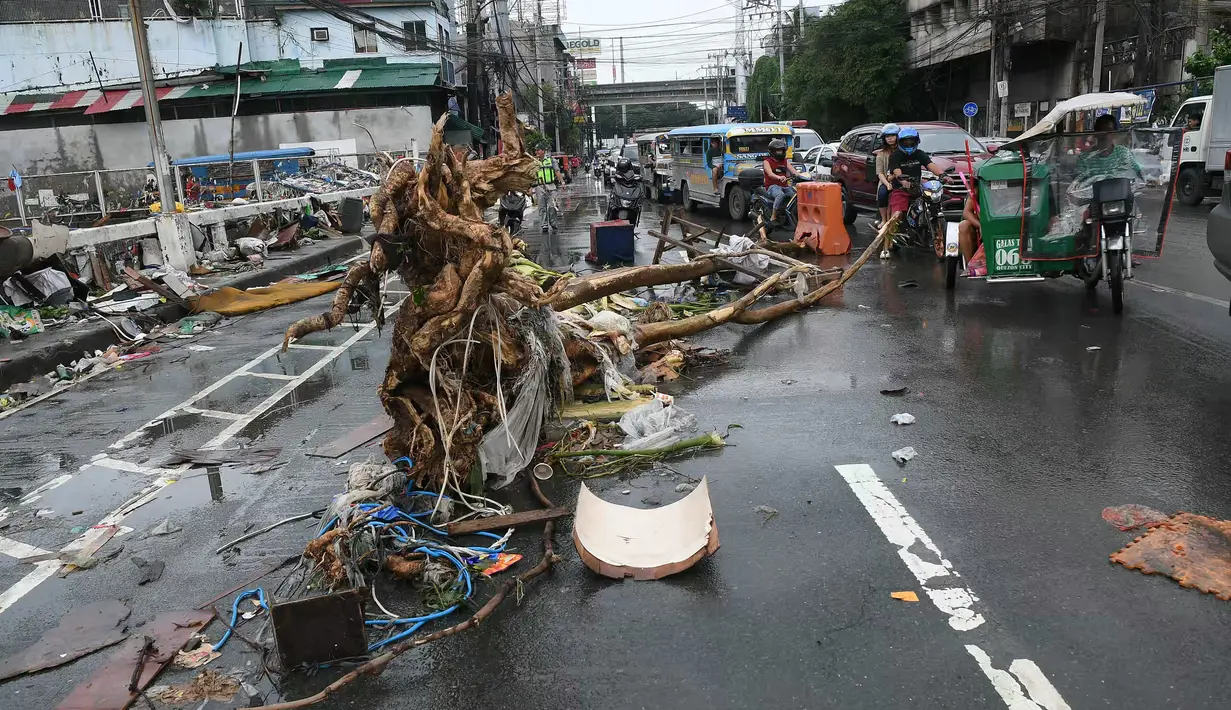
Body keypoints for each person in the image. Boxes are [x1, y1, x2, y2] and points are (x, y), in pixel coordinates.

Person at [886, 127, 948, 256]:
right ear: (900, 142)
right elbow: (897, 171)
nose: (909, 145)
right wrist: (902, 180)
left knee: (933, 202)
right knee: (898, 214)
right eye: (906, 142)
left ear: (917, 142)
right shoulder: (895, 155)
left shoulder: (920, 153)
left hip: (918, 188)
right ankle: (891, 239)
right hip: (900, 189)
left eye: (911, 142)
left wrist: (943, 175)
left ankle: (926, 229)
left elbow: (931, 165)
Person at [762, 137, 802, 224]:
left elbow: (793, 171)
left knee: (795, 195)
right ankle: (774, 215)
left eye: (781, 150)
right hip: (772, 187)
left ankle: (792, 214)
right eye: (778, 151)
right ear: (772, 151)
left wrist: (801, 175)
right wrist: (779, 177)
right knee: (780, 195)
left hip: (785, 186)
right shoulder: (767, 162)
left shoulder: (784, 161)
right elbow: (770, 174)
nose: (780, 152)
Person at [873, 123, 900, 229]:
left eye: (892, 136)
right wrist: (887, 183)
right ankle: (884, 219)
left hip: (900, 180)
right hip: (886, 180)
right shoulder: (881, 154)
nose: (890, 139)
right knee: (882, 193)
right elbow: (879, 172)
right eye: (887, 136)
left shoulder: (903, 152)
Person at [533, 148, 561, 232]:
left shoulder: (551, 160)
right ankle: (544, 225)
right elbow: (531, 175)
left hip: (551, 185)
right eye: (536, 150)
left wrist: (562, 182)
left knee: (552, 206)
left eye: (538, 150)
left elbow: (557, 171)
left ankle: (553, 223)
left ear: (543, 151)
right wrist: (530, 187)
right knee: (542, 207)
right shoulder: (534, 162)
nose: (537, 152)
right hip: (539, 186)